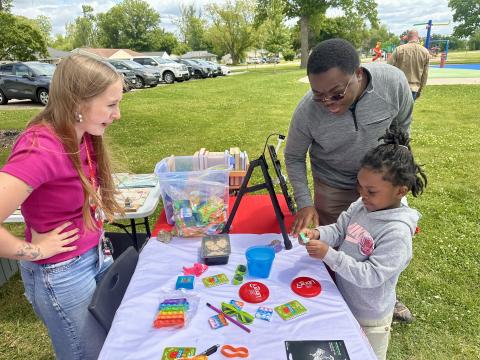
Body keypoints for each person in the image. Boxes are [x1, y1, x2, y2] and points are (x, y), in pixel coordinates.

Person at [0, 54, 124, 359]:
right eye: (110, 105)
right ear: (78, 103)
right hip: (62, 273)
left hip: (94, 255)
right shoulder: (41, 148)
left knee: (113, 343)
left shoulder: (81, 134)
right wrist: (34, 250)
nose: (118, 114)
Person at [284, 38, 415, 322]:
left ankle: (382, 301)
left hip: (380, 184)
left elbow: (403, 127)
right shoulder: (308, 111)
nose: (328, 104)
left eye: (336, 93)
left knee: (380, 247)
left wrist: (392, 179)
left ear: (358, 73)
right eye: (318, 95)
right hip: (332, 184)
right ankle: (337, 308)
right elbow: (294, 157)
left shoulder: (392, 83)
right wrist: (306, 204)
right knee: (341, 245)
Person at [298, 127, 427, 360]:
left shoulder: (396, 232)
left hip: (370, 316)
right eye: (360, 186)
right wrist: (318, 234)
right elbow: (339, 230)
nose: (362, 194)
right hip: (344, 300)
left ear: (400, 191)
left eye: (371, 191)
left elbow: (370, 276)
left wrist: (329, 255)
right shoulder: (362, 204)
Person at [388, 29, 430, 100]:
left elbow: (388, 68)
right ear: (418, 37)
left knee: (395, 110)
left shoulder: (399, 49)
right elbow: (425, 74)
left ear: (407, 37)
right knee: (408, 111)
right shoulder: (425, 52)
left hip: (398, 87)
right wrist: (420, 90)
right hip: (414, 88)